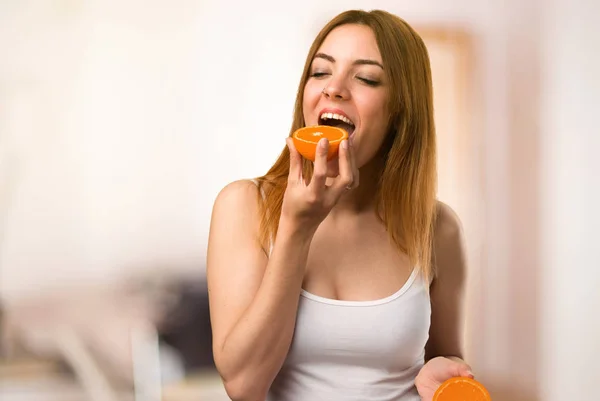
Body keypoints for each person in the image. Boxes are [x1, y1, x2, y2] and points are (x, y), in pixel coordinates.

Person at [206, 9, 473, 401]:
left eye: (365, 77)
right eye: (320, 72)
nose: (333, 88)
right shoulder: (244, 206)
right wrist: (297, 228)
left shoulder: (438, 228)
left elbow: (447, 363)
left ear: (400, 112)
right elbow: (244, 385)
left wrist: (444, 377)